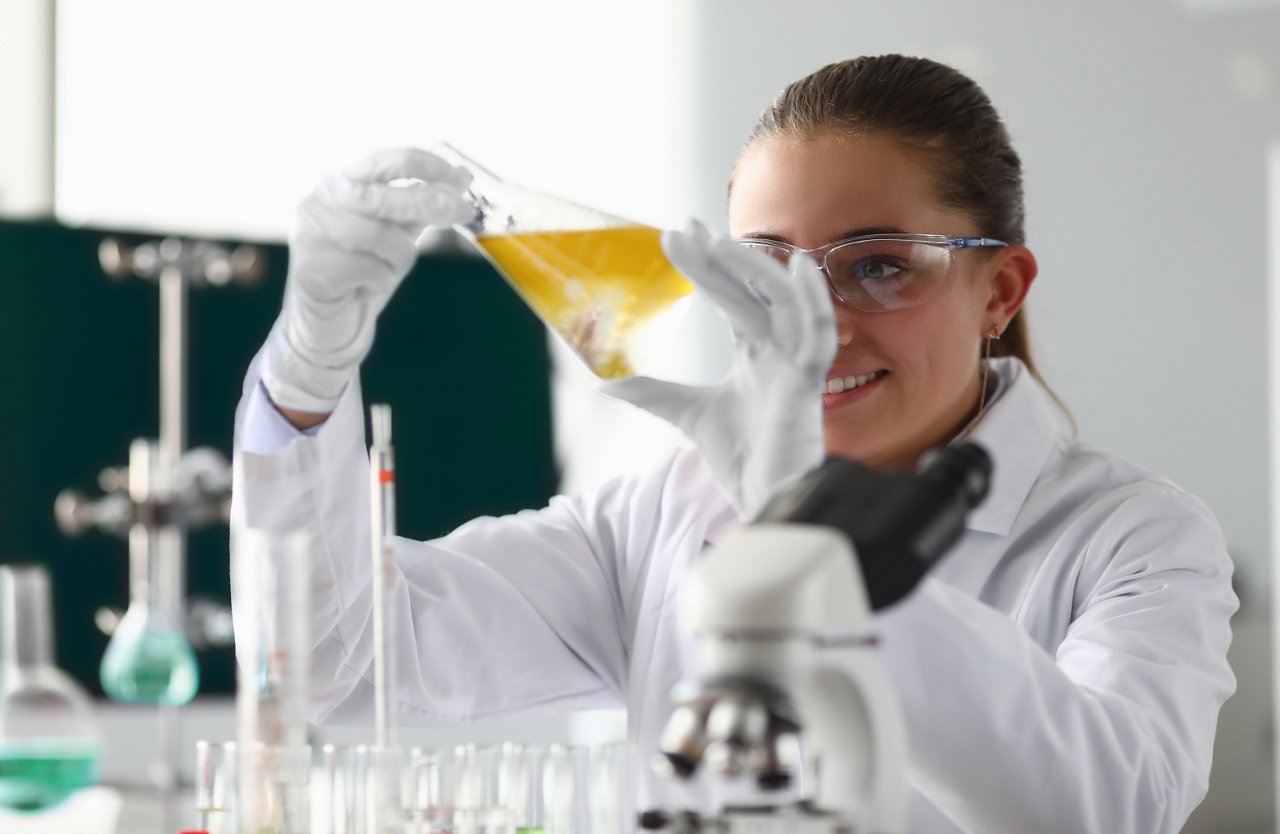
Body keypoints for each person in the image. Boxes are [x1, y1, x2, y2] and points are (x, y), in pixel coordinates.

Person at [231, 54, 1237, 833]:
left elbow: (1105, 809)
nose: (822, 324)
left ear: (999, 290)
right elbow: (338, 665)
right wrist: (308, 372)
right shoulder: (665, 512)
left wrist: (803, 528)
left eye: (878, 266)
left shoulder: (1132, 539)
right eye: (766, 270)